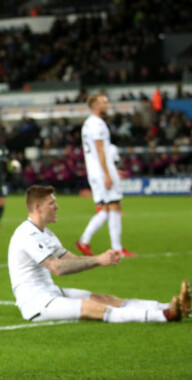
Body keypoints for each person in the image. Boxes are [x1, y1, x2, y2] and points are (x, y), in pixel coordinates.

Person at [8, 185, 192, 323]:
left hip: (53, 293)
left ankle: (171, 306)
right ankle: (163, 316)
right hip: (36, 304)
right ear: (38, 207)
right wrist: (98, 260)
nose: (56, 206)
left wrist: (101, 258)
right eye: (52, 203)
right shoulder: (27, 234)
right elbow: (57, 267)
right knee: (96, 309)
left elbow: (69, 259)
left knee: (105, 299)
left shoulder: (45, 233)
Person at [75, 94, 136, 257]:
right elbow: (100, 150)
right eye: (104, 102)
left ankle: (85, 241)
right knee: (114, 205)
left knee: (108, 208)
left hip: (96, 171)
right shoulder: (97, 124)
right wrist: (108, 174)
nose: (107, 105)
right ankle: (115, 248)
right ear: (95, 105)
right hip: (102, 172)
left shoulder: (88, 124)